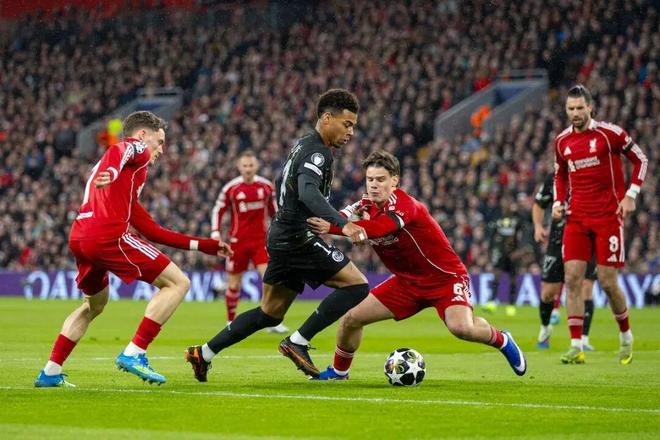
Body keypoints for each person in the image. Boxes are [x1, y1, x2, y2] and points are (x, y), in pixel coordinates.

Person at [34, 111, 233, 387]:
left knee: (94, 305)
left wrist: (205, 246)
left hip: (81, 236)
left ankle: (50, 372)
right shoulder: (134, 150)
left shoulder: (127, 181)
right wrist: (113, 170)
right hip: (108, 235)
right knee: (178, 283)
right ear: (142, 135)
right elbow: (122, 150)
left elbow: (151, 231)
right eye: (159, 142)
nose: (161, 150)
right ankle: (135, 352)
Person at [185, 89, 370, 381]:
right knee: (357, 286)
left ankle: (203, 353)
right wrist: (341, 223)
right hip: (298, 238)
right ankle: (298, 341)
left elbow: (282, 181)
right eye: (347, 124)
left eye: (353, 126)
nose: (351, 132)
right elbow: (308, 191)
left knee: (270, 313)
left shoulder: (302, 144)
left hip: (281, 236)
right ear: (327, 118)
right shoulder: (318, 152)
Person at [306, 150, 527, 380]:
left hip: (445, 278)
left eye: (380, 179)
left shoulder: (406, 204)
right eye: (370, 179)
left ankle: (502, 339)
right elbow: (339, 216)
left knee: (462, 328)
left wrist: (335, 229)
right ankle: (339, 372)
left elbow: (381, 228)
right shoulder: (364, 205)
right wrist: (319, 222)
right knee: (351, 319)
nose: (373, 185)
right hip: (406, 283)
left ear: (394, 181)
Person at [553, 85, 648, 365]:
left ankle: (626, 335)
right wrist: (558, 202)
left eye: (579, 108)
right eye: (570, 109)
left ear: (590, 107)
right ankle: (576, 345)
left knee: (607, 281)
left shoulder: (610, 134)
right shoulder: (562, 142)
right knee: (572, 277)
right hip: (576, 217)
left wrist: (631, 195)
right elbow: (560, 176)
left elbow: (641, 160)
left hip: (608, 217)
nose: (575, 113)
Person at [210, 150, 288, 334]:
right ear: (239, 167)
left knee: (270, 281)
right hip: (238, 243)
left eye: (251, 165)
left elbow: (275, 213)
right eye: (244, 166)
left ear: (256, 166)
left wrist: (280, 233)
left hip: (261, 242)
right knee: (233, 285)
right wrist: (215, 232)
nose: (248, 169)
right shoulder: (231, 188)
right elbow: (218, 210)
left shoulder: (266, 187)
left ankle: (271, 321)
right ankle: (230, 322)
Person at [532, 173, 597, 350]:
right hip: (557, 240)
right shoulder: (554, 178)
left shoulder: (591, 173)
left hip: (586, 239)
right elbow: (538, 204)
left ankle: (583, 339)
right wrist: (538, 226)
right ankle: (545, 329)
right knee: (548, 292)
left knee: (586, 288)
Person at [486, 202, 523, 316]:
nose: (506, 209)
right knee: (496, 276)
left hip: (512, 254)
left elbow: (521, 235)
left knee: (513, 279)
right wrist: (491, 252)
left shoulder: (517, 221)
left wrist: (519, 250)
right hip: (501, 253)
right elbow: (492, 238)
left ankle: (511, 305)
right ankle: (491, 302)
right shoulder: (498, 221)